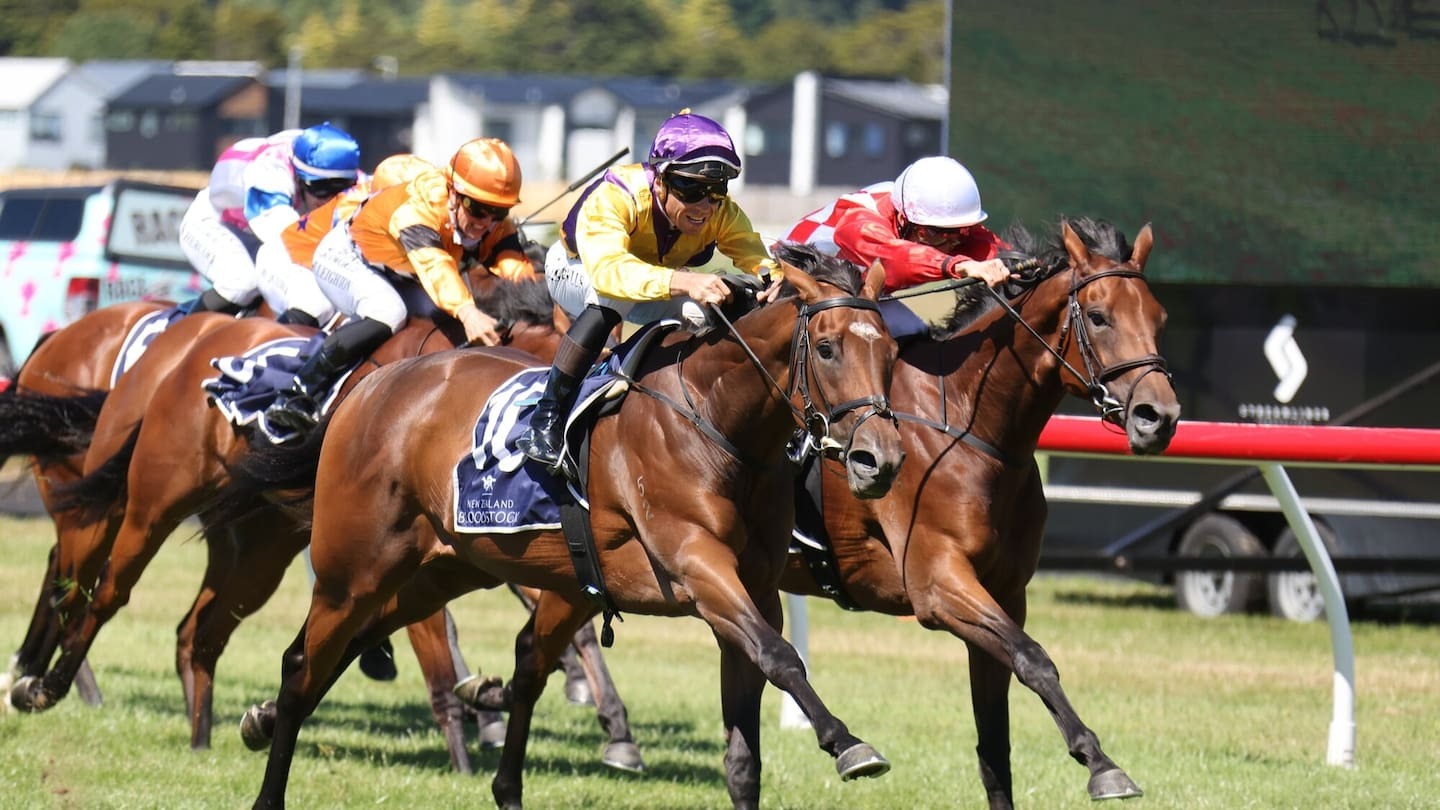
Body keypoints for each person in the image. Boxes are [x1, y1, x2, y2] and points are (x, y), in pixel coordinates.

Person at [517, 110, 780, 470]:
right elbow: (609, 272)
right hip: (577, 270)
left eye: (717, 191)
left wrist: (772, 275)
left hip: (652, 282)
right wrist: (684, 281)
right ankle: (547, 417)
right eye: (691, 188)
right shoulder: (617, 194)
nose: (705, 205)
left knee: (715, 309)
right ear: (660, 179)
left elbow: (753, 253)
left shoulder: (719, 211)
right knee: (614, 297)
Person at [265, 137, 535, 433]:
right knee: (389, 312)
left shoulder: (491, 223)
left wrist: (533, 309)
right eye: (477, 208)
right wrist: (468, 312)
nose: (486, 222)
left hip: (403, 272)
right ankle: (298, 392)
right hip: (348, 257)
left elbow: (516, 270)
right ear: (453, 193)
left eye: (498, 212)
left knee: (445, 321)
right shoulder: (419, 208)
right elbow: (435, 268)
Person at [785, 155, 1014, 342]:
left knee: (922, 338)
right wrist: (960, 265)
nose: (949, 244)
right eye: (933, 234)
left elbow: (993, 248)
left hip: (855, 290)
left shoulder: (927, 219)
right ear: (902, 219)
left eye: (960, 233)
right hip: (788, 284)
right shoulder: (860, 217)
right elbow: (894, 259)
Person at [179, 123, 363, 318]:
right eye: (320, 188)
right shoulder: (270, 170)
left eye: (341, 189)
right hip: (217, 222)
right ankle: (175, 338)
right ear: (299, 176)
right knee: (241, 283)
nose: (329, 199)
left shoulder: (352, 177)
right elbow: (288, 238)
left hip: (265, 232)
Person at [254, 153, 437, 329]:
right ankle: (271, 356)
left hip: (339, 259)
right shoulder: (353, 208)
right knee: (316, 304)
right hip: (286, 257)